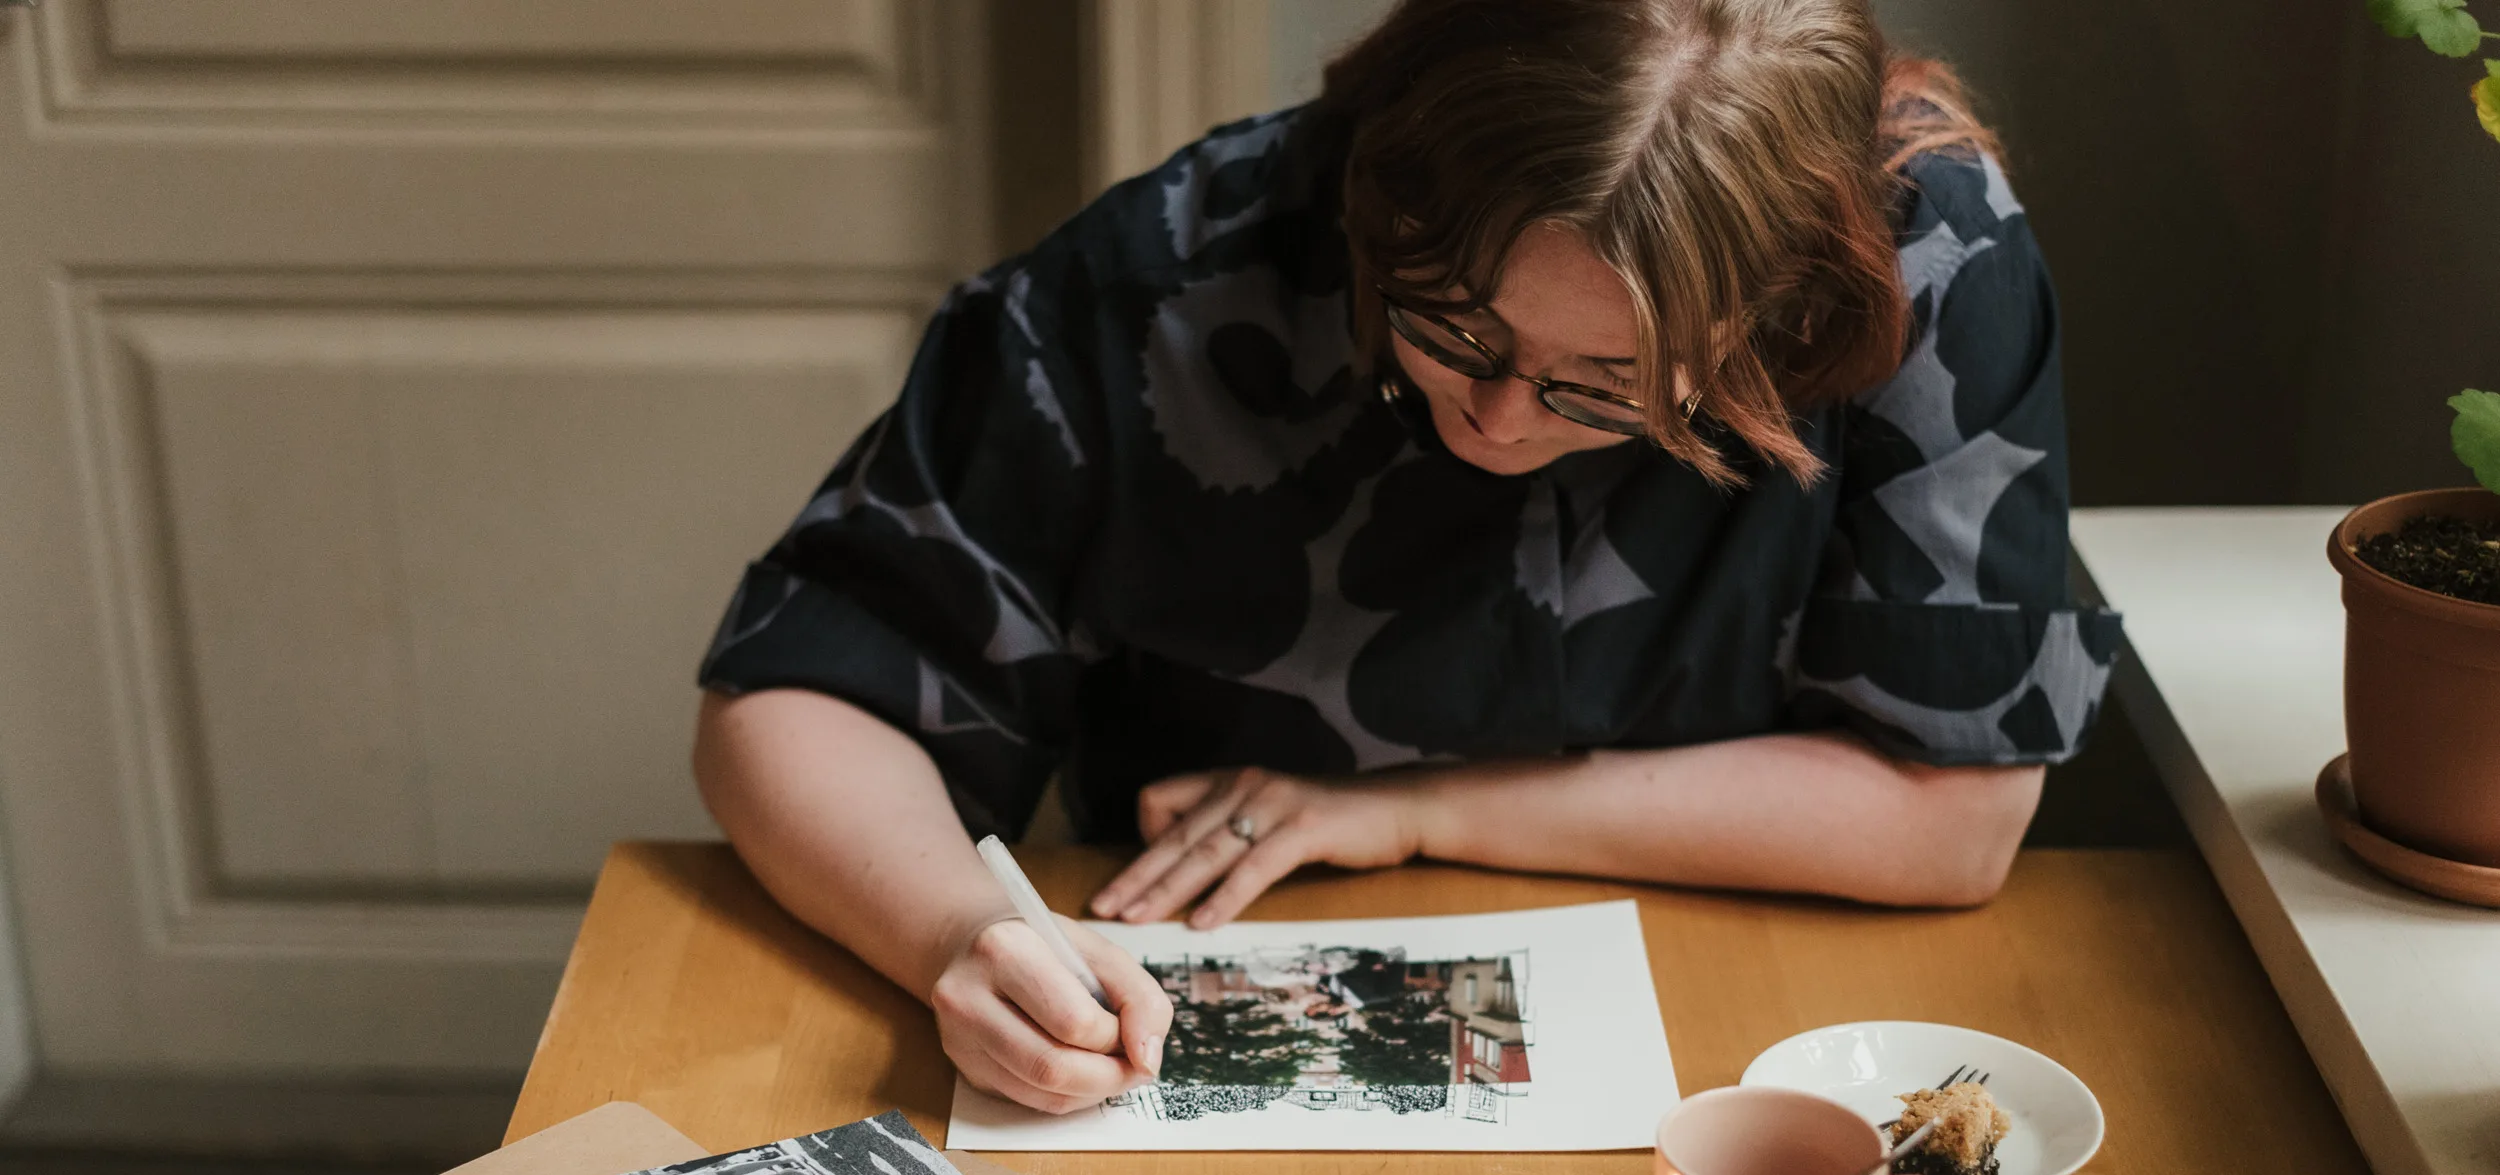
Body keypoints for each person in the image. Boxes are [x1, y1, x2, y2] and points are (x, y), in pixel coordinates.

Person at [692, 0, 2118, 1117]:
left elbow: (1954, 815)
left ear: (1777, 319)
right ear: (1384, 190)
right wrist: (955, 938)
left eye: (1609, 386)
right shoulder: (1165, 276)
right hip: (1184, 1022)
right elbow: (804, 694)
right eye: (1450, 326)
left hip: (1757, 1051)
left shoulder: (1919, 263)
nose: (1498, 421)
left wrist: (1419, 809)